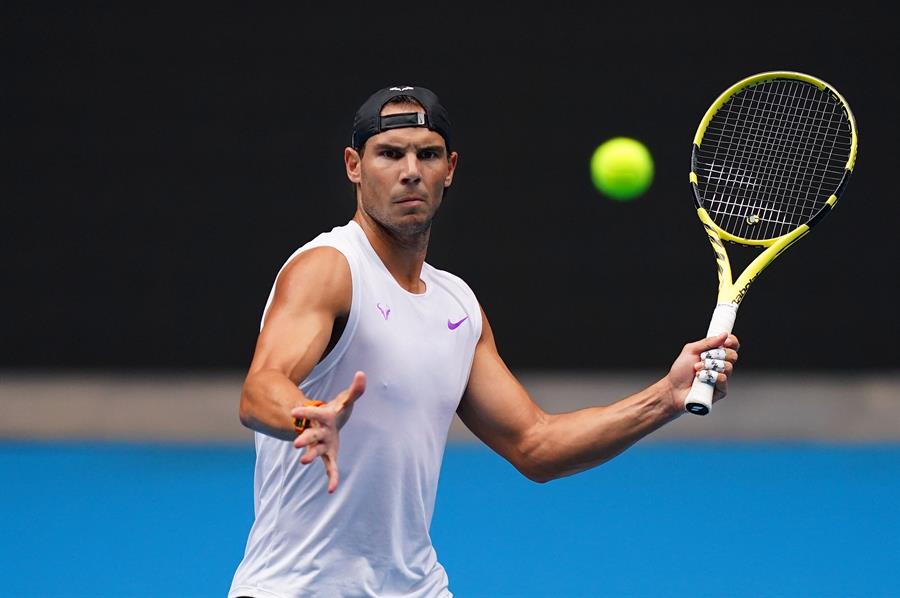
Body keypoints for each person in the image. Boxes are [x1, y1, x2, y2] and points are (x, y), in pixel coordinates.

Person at [228, 85, 740, 598]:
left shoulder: (458, 306)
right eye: (389, 153)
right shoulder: (329, 268)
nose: (410, 170)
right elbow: (260, 391)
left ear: (449, 169)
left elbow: (536, 445)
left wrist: (666, 398)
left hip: (415, 588)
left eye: (427, 155)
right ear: (353, 166)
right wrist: (306, 417)